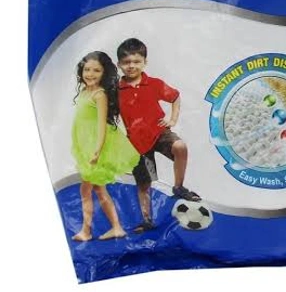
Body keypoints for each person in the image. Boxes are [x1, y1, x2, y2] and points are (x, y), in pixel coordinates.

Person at [117, 38, 200, 233]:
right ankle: (147, 220)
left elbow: (175, 97)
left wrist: (173, 119)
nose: (131, 66)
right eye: (127, 62)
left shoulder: (154, 84)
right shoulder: (116, 90)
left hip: (158, 132)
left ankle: (178, 187)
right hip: (136, 143)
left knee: (180, 147)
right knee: (144, 184)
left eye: (136, 61)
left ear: (145, 62)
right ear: (119, 64)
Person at [71, 51, 139, 241]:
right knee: (94, 189)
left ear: (104, 73)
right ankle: (112, 228)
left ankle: (90, 230)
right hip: (85, 146)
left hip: (96, 148)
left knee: (91, 189)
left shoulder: (99, 95)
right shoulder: (84, 92)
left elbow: (102, 125)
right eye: (87, 69)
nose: (90, 74)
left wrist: (97, 151)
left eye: (96, 70)